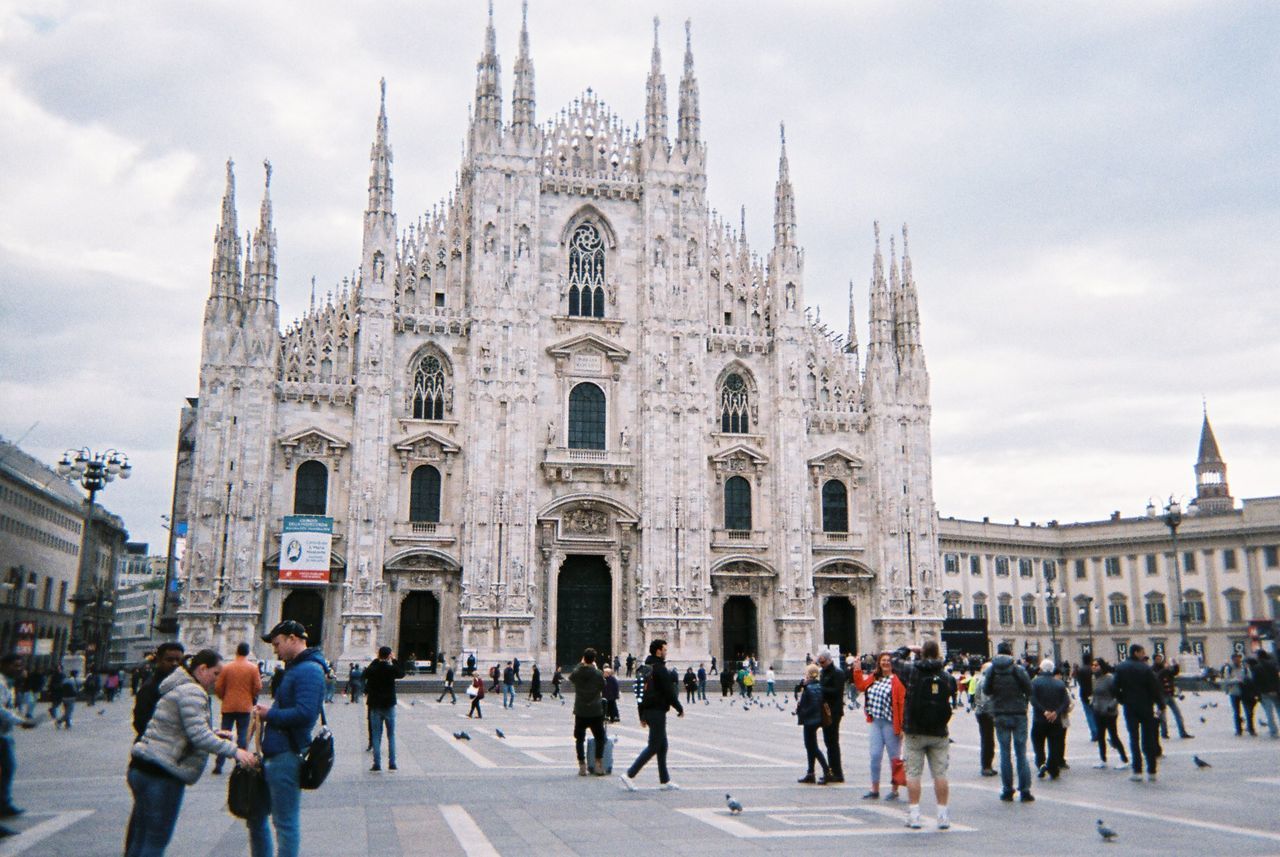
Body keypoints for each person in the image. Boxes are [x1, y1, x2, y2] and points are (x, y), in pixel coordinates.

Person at [126, 649, 257, 856]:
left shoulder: (178, 687)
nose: (216, 680)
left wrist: (214, 733)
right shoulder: (192, 691)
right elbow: (199, 736)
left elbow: (183, 728)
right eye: (215, 674)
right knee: (156, 840)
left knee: (141, 836)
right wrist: (236, 752)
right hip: (162, 771)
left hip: (143, 767)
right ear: (202, 669)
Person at [247, 620, 326, 857]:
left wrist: (269, 713)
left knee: (285, 822)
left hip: (287, 754)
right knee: (256, 815)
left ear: (293, 639)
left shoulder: (309, 670)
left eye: (277, 643)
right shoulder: (295, 668)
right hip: (275, 752)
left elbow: (306, 713)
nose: (275, 649)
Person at [899, 640, 956, 829]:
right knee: (940, 774)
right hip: (939, 731)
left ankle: (915, 815)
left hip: (915, 730)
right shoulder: (946, 676)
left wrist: (908, 649)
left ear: (922, 653)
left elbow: (894, 659)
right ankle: (942, 816)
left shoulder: (912, 671)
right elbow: (951, 694)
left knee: (914, 774)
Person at [619, 639, 684, 791]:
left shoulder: (645, 668)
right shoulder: (660, 669)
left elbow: (639, 693)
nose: (666, 652)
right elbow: (668, 691)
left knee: (662, 746)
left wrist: (641, 714)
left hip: (649, 711)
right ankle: (629, 774)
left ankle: (664, 780)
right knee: (654, 746)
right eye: (665, 650)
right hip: (657, 711)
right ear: (658, 651)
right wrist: (679, 707)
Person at [984, 642, 1034, 802]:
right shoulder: (1017, 669)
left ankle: (1007, 790)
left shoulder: (992, 669)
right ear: (1010, 652)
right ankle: (1025, 790)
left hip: (1000, 713)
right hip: (1019, 713)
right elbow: (1029, 688)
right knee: (1021, 753)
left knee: (1005, 753)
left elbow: (986, 690)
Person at [1113, 643, 1162, 782]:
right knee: (1149, 738)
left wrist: (1123, 700)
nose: (1143, 655)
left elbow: (1115, 688)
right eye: (1142, 652)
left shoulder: (1121, 668)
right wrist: (1160, 704)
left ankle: (1137, 770)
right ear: (1136, 653)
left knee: (1133, 738)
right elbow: (1154, 688)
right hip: (1146, 706)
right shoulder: (1145, 668)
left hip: (1130, 707)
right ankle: (1152, 770)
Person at [0, 654, 38, 835]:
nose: (19, 669)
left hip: (4, 734)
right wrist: (20, 721)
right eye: (16, 665)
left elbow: (8, 707)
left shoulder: (8, 683)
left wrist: (21, 719)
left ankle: (4, 803)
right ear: (5, 665)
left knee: (8, 768)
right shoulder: (0, 683)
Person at [212, 642, 262, 775]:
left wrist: (224, 696)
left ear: (237, 652)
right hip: (245, 706)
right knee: (243, 735)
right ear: (247, 652)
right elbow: (258, 687)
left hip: (228, 705)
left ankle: (219, 764)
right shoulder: (252, 668)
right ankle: (240, 763)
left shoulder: (227, 668)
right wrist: (250, 696)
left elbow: (218, 687)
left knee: (224, 734)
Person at [364, 646, 405, 772]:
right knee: (391, 735)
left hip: (375, 706)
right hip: (389, 706)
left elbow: (365, 673)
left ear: (378, 655)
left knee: (376, 736)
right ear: (389, 655)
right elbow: (401, 673)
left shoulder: (373, 669)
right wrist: (394, 660)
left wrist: (377, 660)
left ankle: (377, 764)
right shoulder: (391, 669)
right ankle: (392, 763)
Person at [134, 643, 186, 739]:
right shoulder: (149, 687)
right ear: (159, 660)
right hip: (152, 746)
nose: (175, 663)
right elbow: (141, 723)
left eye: (179, 660)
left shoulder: (185, 684)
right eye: (169, 660)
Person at [570, 649, 608, 776]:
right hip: (595, 711)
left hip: (581, 710)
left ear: (583, 659)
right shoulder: (597, 673)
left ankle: (582, 765)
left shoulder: (578, 672)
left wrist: (581, 665)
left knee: (579, 739)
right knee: (600, 738)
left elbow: (571, 677)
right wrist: (595, 668)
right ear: (594, 660)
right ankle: (598, 764)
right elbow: (603, 685)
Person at [1030, 659, 1069, 780]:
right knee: (1054, 744)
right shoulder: (1060, 683)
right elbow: (1066, 701)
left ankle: (1041, 763)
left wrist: (1044, 711)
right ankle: (1053, 768)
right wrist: (1056, 712)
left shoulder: (1035, 682)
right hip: (1055, 720)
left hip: (1039, 719)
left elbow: (1033, 700)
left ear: (1041, 669)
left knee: (1038, 742)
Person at [1088, 659, 1129, 769]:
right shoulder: (1094, 679)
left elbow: (1118, 695)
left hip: (1109, 712)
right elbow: (1095, 693)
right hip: (1098, 711)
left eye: (1096, 665)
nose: (1094, 667)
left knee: (1114, 736)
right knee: (1100, 736)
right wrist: (1093, 702)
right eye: (1092, 665)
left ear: (1102, 666)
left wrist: (1111, 705)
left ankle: (1124, 759)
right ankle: (1103, 759)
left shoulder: (1109, 678)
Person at [794, 664, 830, 783]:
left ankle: (826, 770)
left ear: (808, 674)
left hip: (810, 720)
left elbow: (809, 705)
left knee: (812, 747)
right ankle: (811, 772)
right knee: (811, 747)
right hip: (817, 719)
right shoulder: (818, 686)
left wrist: (800, 711)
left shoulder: (809, 688)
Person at [816, 650, 847, 783]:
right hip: (825, 711)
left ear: (829, 660)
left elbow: (836, 691)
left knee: (833, 743)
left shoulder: (838, 673)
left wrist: (819, 688)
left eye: (822, 662)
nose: (821, 665)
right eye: (819, 662)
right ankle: (832, 771)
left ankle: (837, 773)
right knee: (829, 743)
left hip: (834, 712)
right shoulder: (823, 672)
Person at [1152, 654, 1193, 739]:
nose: (1159, 660)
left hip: (1170, 694)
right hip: (1161, 696)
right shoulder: (1153, 669)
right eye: (1158, 659)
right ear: (1154, 660)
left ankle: (1182, 732)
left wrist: (1175, 665)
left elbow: (1174, 672)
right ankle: (1164, 733)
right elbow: (1157, 677)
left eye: (1160, 658)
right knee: (1162, 716)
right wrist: (1165, 669)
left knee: (1178, 714)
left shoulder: (1165, 668)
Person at [971, 662, 996, 776]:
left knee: (987, 739)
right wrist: (992, 714)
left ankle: (987, 765)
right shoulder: (987, 681)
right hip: (986, 714)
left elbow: (977, 697)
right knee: (988, 741)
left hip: (980, 712)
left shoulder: (980, 680)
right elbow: (987, 700)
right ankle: (986, 766)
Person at [1221, 652, 1255, 736]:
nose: (1237, 660)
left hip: (1245, 692)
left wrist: (1245, 680)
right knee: (1236, 712)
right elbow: (1226, 680)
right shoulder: (1228, 668)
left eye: (1239, 658)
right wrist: (1237, 680)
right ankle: (1238, 730)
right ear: (1232, 660)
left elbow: (1250, 678)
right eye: (1235, 659)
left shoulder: (1245, 668)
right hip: (1234, 692)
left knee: (1248, 711)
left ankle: (1251, 728)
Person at [1253, 650, 1280, 738]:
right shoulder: (1273, 665)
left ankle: (1273, 731)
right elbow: (1277, 678)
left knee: (1269, 712)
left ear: (1259, 656)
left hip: (1265, 691)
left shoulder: (1256, 667)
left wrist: (1257, 692)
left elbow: (1256, 681)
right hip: (1275, 690)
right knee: (1279, 710)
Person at [1075, 661, 1098, 743]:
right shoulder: (1093, 669)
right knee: (1096, 714)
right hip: (1094, 693)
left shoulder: (1080, 670)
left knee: (1089, 714)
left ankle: (1094, 733)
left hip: (1084, 694)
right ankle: (1098, 731)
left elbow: (1079, 682)